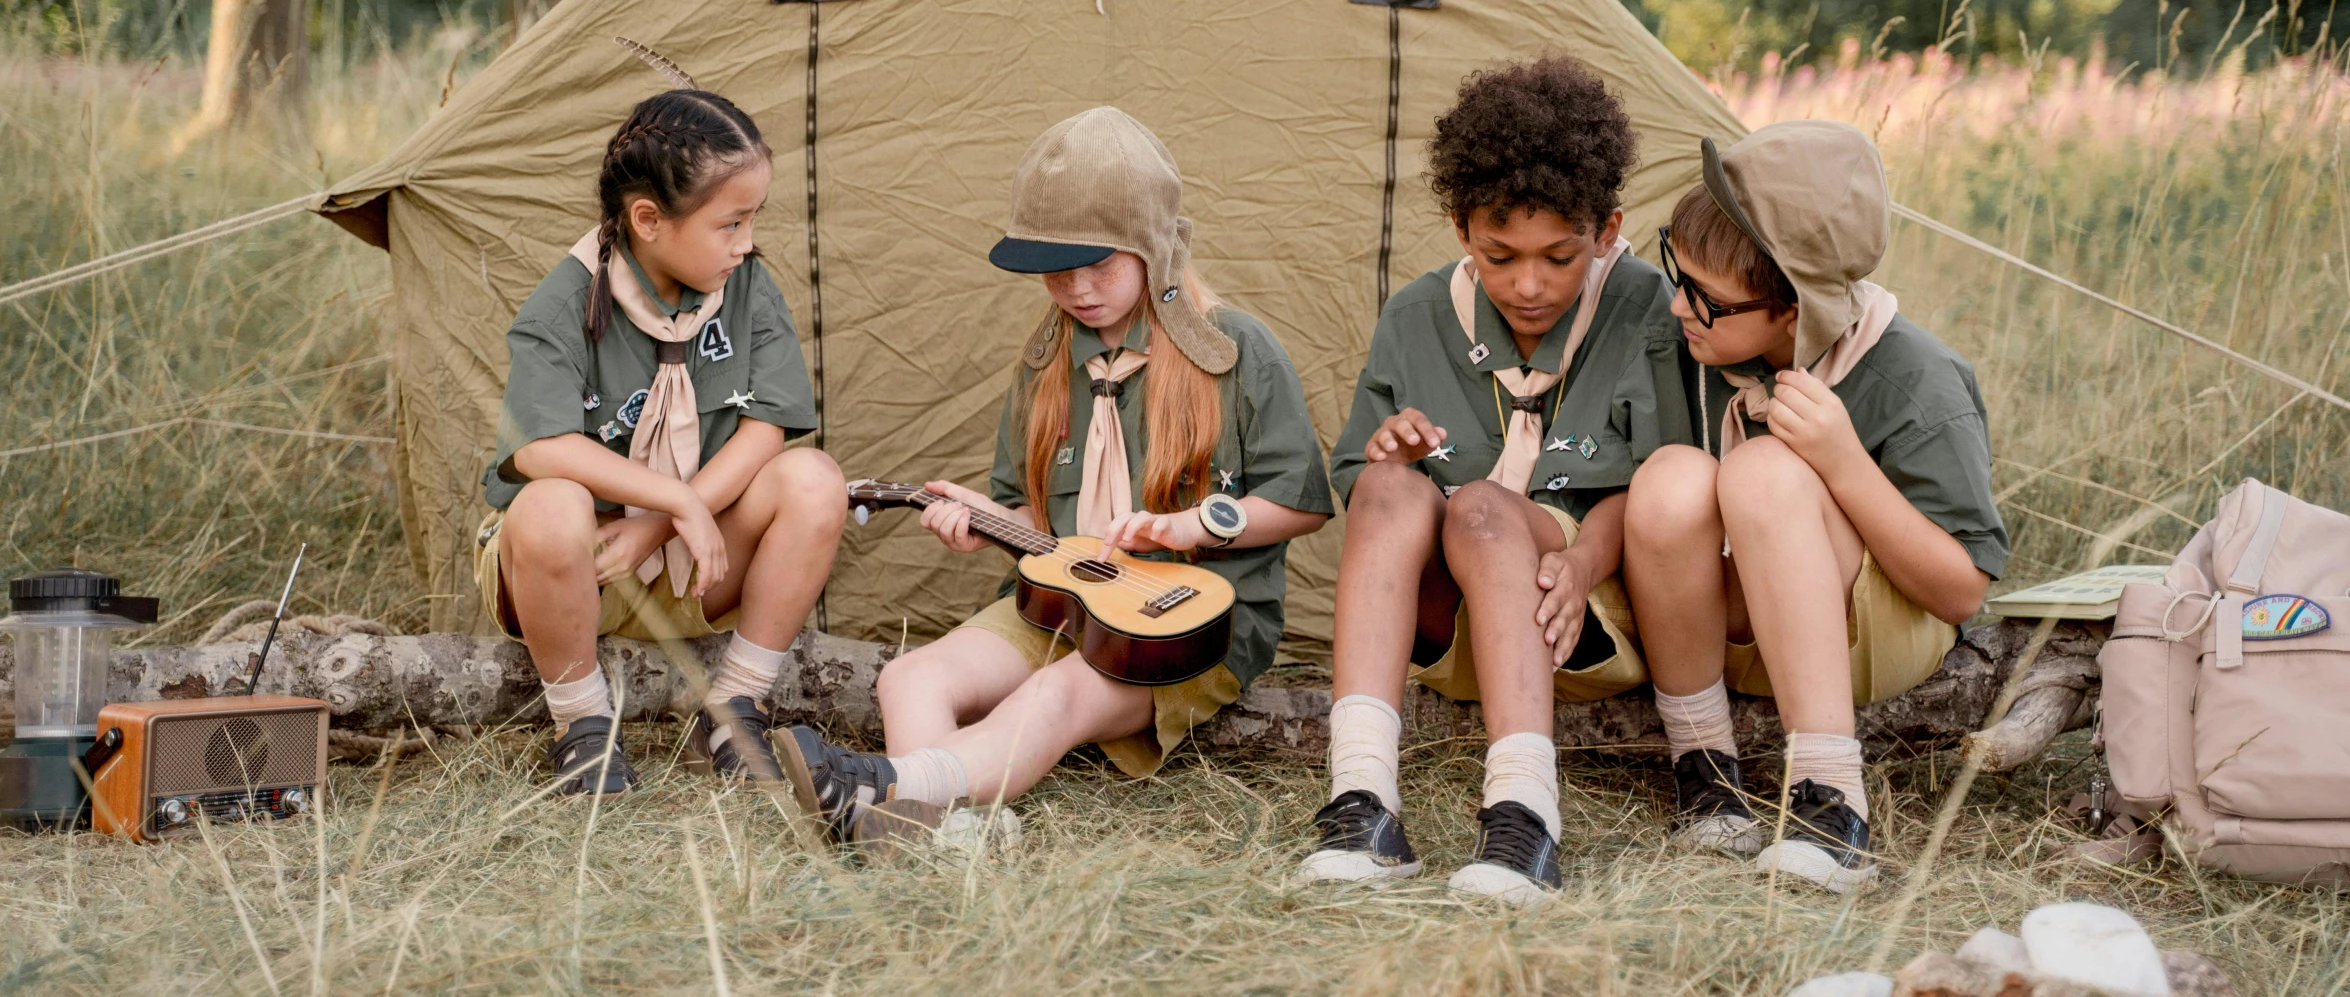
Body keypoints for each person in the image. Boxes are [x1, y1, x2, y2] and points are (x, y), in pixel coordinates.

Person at [779, 107, 1332, 853]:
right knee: (908, 679)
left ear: (1152, 247)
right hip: (1071, 603)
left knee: (1056, 693)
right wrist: (985, 519)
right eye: (1055, 271)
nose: (1076, 289)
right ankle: (949, 833)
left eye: (1099, 265)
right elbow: (1030, 518)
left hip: (1187, 628)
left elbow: (1300, 503)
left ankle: (880, 786)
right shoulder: (1044, 366)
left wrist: (1191, 526)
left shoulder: (1235, 350)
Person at [1298, 57, 1696, 904]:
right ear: (1459, 227)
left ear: (1608, 225)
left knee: (1483, 506)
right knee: (1388, 485)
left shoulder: (1645, 312)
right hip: (1450, 631)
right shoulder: (1415, 316)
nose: (1527, 284)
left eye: (1560, 256)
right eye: (1498, 253)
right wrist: (1392, 450)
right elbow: (1360, 487)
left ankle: (1524, 813)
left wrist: (1588, 557)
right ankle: (1359, 798)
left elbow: (1666, 485)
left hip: (1581, 619)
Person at [1622, 121, 2008, 892]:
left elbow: (1961, 588)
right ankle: (1707, 776)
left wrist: (1843, 463)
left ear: (1794, 311)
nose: (1679, 308)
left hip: (1877, 634)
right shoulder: (1689, 349)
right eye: (1677, 275)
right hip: (1741, 633)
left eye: (1708, 299)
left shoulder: (1916, 380)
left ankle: (1831, 806)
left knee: (1767, 471)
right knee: (1669, 477)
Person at [477, 88, 847, 796]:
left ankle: (737, 704)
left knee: (814, 478)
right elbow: (540, 449)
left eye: (753, 219)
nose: (746, 242)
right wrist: (668, 501)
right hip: (581, 570)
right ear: (648, 219)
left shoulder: (747, 285)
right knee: (550, 503)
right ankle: (582, 722)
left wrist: (662, 524)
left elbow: (765, 425)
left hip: (694, 567)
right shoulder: (564, 300)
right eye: (730, 222)